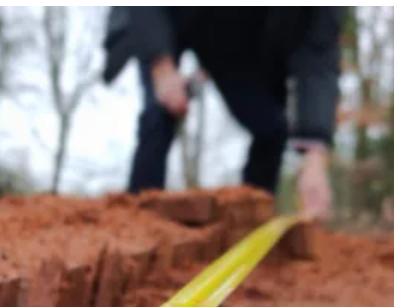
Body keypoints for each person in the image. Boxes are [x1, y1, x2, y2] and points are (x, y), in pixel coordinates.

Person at [103, 7, 344, 221]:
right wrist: (161, 64)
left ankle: (250, 221)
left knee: (272, 127)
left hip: (235, 43)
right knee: (159, 111)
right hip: (166, 17)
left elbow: (319, 54)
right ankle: (138, 219)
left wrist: (314, 155)